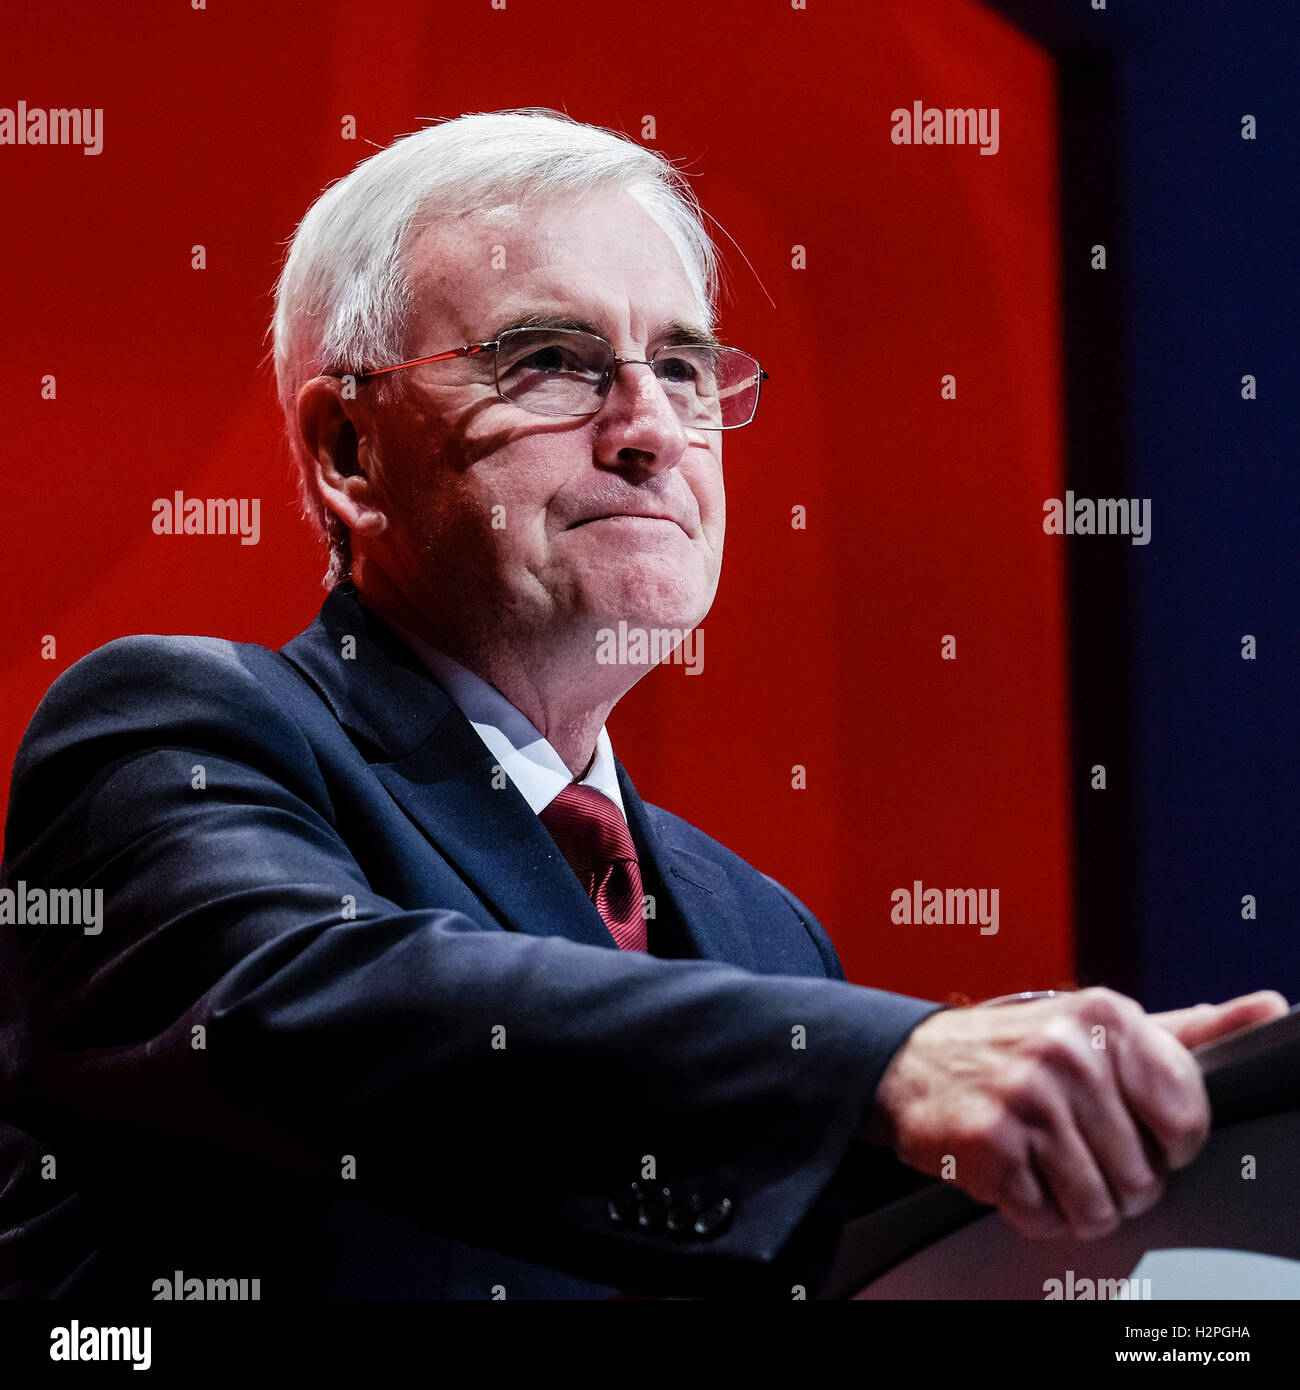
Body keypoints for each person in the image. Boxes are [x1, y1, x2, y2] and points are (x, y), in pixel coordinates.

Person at [0, 108, 1285, 1301]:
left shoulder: (758, 931)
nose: (649, 428)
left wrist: (1083, 1124)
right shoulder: (178, 732)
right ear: (348, 451)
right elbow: (318, 1011)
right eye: (551, 360)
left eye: (680, 364)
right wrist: (881, 1062)